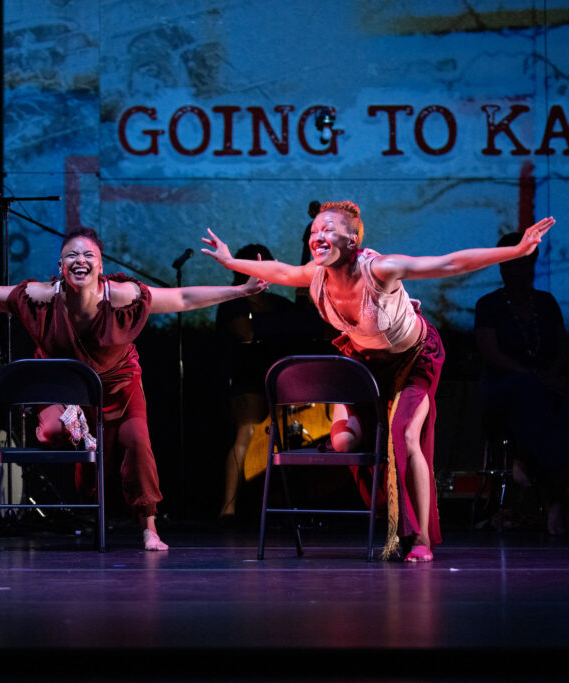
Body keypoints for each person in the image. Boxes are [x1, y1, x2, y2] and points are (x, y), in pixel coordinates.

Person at [201, 201, 556, 562]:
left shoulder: (380, 268)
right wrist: (230, 262)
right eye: (313, 232)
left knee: (404, 435)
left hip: (414, 360)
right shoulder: (316, 274)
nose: (317, 237)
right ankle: (387, 506)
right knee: (343, 443)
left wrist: (515, 250)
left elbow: (448, 263)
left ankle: (419, 538)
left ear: (353, 240)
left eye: (327, 230)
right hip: (365, 364)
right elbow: (280, 270)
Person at [0, 227, 267, 551]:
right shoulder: (39, 298)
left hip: (119, 385)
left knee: (138, 443)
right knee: (56, 430)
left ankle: (149, 529)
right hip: (63, 389)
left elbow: (184, 299)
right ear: (60, 267)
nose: (80, 260)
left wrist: (241, 291)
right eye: (71, 255)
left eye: (89, 255)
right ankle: (83, 442)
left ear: (101, 266)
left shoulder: (123, 297)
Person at [474, 233, 569, 535]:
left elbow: (562, 348)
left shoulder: (545, 302)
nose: (515, 269)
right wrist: (533, 376)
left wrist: (551, 374)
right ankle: (553, 497)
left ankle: (528, 461)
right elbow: (492, 354)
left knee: (555, 404)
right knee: (529, 394)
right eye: (509, 263)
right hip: (505, 390)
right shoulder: (489, 305)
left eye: (522, 263)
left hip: (546, 385)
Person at [214, 244, 304, 523]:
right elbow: (246, 335)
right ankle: (228, 508)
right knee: (248, 431)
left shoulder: (280, 304)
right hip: (247, 378)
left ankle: (283, 503)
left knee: (296, 434)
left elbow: (307, 328)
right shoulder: (233, 303)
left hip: (281, 380)